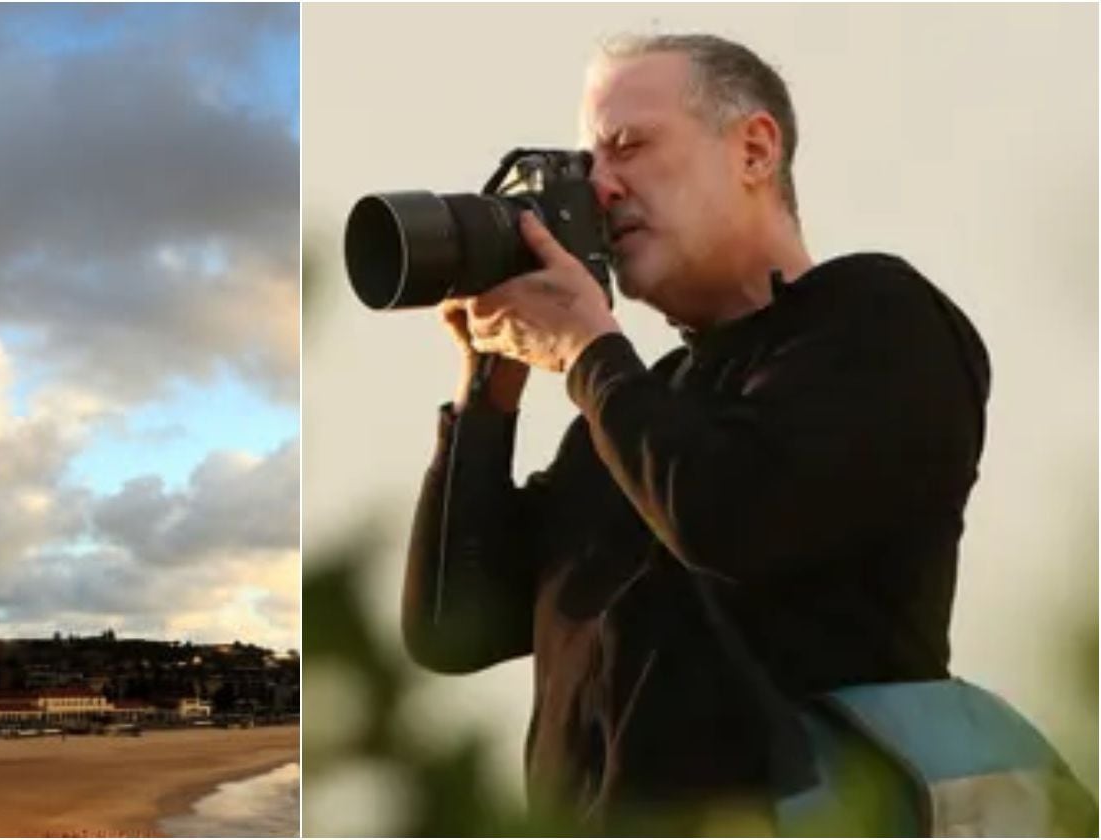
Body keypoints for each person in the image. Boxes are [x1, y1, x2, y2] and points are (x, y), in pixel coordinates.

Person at [400, 34, 992, 834]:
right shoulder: (641, 403)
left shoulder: (876, 317)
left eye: (628, 147)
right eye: (585, 163)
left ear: (753, 150)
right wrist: (489, 383)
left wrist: (585, 350)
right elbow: (451, 626)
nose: (600, 189)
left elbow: (731, 519)